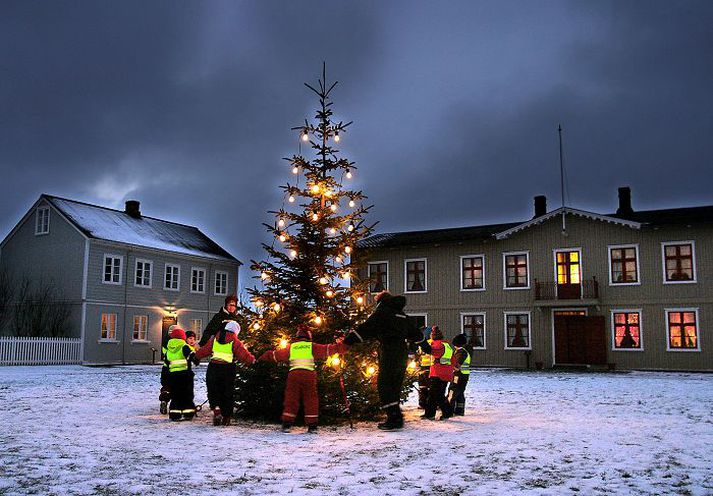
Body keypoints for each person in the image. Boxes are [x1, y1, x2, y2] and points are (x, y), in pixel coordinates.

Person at [343, 291, 422, 430]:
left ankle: (394, 418)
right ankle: (394, 417)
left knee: (384, 385)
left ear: (380, 302)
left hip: (389, 350)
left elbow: (367, 328)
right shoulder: (402, 316)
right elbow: (416, 334)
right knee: (394, 384)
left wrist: (349, 340)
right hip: (402, 352)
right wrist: (426, 346)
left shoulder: (383, 313)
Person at [258, 324, 346, 433]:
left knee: (291, 399)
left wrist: (263, 357)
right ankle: (312, 425)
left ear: (297, 337)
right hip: (308, 375)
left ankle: (287, 424)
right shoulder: (311, 346)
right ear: (309, 336)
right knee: (311, 399)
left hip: (293, 375)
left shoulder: (292, 347)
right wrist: (342, 346)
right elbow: (328, 349)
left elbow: (276, 355)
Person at [195, 321, 255, 426]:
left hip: (213, 367)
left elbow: (205, 350)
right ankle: (226, 417)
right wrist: (252, 361)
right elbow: (243, 353)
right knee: (227, 392)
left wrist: (196, 356)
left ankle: (216, 408)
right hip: (227, 369)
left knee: (214, 390)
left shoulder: (215, 339)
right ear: (235, 331)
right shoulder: (234, 341)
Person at [164, 327, 199, 421]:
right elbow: (191, 355)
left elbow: (166, 362)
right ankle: (188, 413)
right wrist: (196, 360)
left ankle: (174, 414)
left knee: (175, 395)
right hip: (185, 375)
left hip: (173, 376)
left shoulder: (169, 349)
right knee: (187, 394)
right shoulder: (184, 346)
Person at [420, 326, 454, 420]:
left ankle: (446, 412)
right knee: (435, 394)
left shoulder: (437, 345)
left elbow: (431, 351)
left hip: (438, 373)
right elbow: (453, 359)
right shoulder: (447, 345)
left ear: (432, 336)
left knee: (436, 395)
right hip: (446, 373)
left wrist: (422, 342)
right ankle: (430, 414)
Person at [447, 333, 471, 416]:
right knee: (460, 393)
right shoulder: (463, 351)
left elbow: (456, 366)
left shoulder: (461, 353)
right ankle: (459, 410)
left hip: (458, 375)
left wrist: (447, 366)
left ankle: (448, 411)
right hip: (464, 375)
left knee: (452, 392)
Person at [415, 326, 433, 409]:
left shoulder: (430, 343)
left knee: (425, 386)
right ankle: (424, 403)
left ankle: (425, 403)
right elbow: (419, 354)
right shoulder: (423, 343)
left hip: (428, 367)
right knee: (424, 386)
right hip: (425, 367)